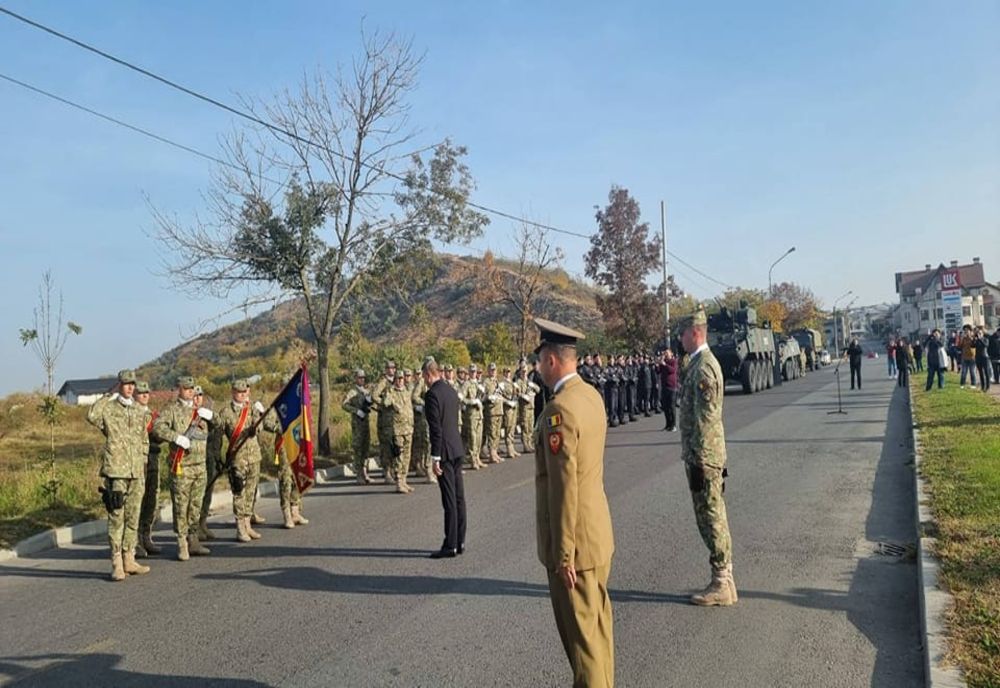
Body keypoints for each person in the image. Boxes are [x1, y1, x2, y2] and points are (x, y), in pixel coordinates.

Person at [533, 318, 615, 687]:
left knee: (583, 651)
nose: (537, 369)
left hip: (575, 547)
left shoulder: (559, 411)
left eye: (539, 361)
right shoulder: (590, 396)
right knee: (598, 637)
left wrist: (563, 553)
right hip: (596, 535)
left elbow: (563, 487)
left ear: (551, 360)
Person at [678, 308, 737, 607]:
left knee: (711, 517)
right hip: (706, 453)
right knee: (714, 515)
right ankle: (725, 580)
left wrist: (699, 458)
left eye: (683, 333)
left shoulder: (703, 368)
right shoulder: (698, 363)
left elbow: (705, 419)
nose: (680, 338)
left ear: (695, 332)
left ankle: (721, 583)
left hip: (705, 455)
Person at [86, 370, 151, 581]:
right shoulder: (109, 409)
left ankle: (129, 558)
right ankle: (116, 562)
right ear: (119, 386)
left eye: (132, 384)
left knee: (133, 516)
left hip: (136, 471)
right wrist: (107, 396)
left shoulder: (139, 411)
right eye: (125, 384)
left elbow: (144, 438)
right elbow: (91, 416)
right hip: (116, 470)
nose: (130, 387)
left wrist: (143, 460)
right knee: (117, 517)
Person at [152, 376, 213, 561]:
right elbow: (157, 428)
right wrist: (175, 437)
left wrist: (212, 417)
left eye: (192, 388)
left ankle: (193, 539)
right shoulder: (172, 410)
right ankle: (181, 542)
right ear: (179, 389)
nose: (189, 391)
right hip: (182, 467)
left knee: (196, 505)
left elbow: (216, 426)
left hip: (200, 466)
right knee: (181, 506)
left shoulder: (199, 411)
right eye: (186, 388)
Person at [423, 359, 467, 559]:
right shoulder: (450, 390)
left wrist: (435, 457)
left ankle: (450, 545)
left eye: (424, 377)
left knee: (449, 500)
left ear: (427, 374)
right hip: (457, 448)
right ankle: (460, 541)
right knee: (459, 498)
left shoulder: (432, 394)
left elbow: (436, 429)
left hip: (445, 452)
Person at [217, 379, 269, 542]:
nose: (243, 395)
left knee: (251, 491)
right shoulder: (226, 412)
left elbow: (259, 427)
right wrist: (218, 456)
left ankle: (248, 524)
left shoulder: (251, 408)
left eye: (245, 392)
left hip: (254, 456)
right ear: (233, 393)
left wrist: (257, 425)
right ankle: (240, 527)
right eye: (239, 393)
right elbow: (218, 433)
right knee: (239, 492)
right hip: (237, 458)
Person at [135, 381, 163, 557]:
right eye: (141, 393)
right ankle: (135, 541)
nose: (145, 395)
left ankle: (146, 536)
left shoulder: (152, 415)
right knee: (138, 502)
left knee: (151, 501)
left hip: (152, 460)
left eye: (147, 393)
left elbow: (159, 437)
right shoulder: (131, 414)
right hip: (137, 462)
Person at [377, 370, 416, 494]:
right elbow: (385, 402)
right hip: (398, 430)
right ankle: (399, 481)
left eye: (402, 378)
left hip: (408, 428)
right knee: (399, 455)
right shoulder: (391, 391)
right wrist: (393, 401)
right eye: (398, 379)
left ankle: (404, 480)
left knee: (407, 456)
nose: (400, 381)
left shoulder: (406, 391)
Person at [342, 369, 374, 485]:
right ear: (356, 378)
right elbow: (344, 405)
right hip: (357, 424)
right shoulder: (352, 392)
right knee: (358, 449)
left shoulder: (365, 391)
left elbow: (370, 404)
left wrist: (370, 403)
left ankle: (365, 472)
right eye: (360, 378)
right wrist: (356, 411)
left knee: (366, 448)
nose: (362, 379)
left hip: (365, 422)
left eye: (363, 377)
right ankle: (359, 474)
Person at [660, 350, 679, 431]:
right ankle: (668, 424)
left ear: (671, 354)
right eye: (665, 353)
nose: (666, 354)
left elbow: (673, 370)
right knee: (665, 407)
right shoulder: (663, 362)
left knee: (671, 406)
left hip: (672, 386)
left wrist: (665, 365)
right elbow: (658, 371)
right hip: (664, 386)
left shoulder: (673, 361)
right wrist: (659, 363)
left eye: (667, 353)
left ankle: (673, 425)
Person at [974, 327, 991, 392]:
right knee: (980, 373)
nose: (979, 334)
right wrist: (974, 340)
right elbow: (972, 346)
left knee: (986, 372)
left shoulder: (986, 339)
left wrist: (980, 339)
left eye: (980, 333)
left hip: (985, 357)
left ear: (982, 334)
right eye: (978, 333)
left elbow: (985, 345)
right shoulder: (977, 340)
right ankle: (982, 386)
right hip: (978, 358)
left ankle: (987, 386)